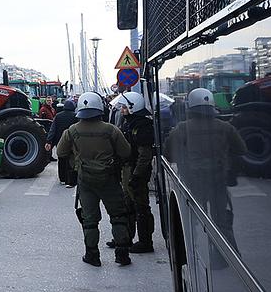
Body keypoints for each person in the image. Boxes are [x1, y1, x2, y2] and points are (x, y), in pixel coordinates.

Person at [56, 92, 134, 267]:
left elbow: (60, 152)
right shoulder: (110, 130)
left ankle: (92, 255)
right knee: (118, 215)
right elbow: (126, 152)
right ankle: (122, 253)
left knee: (89, 220)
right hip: (109, 178)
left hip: (86, 180)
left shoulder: (72, 131)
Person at [164, 88, 245, 243]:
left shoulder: (181, 128)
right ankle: (223, 256)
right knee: (221, 221)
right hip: (218, 181)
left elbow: (169, 155)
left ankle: (192, 252)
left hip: (191, 182)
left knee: (189, 220)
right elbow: (241, 149)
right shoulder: (225, 127)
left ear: (191, 106)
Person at [109, 91, 157, 253]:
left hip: (137, 171)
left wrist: (137, 176)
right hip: (128, 168)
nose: (121, 109)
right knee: (127, 205)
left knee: (141, 207)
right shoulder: (130, 123)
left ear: (132, 107)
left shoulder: (142, 126)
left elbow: (145, 155)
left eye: (124, 107)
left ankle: (145, 241)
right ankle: (125, 238)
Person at [46, 98, 79, 186]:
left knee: (61, 159)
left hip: (60, 141)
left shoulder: (58, 116)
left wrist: (49, 141)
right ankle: (70, 179)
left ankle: (62, 178)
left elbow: (52, 130)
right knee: (71, 160)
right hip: (72, 141)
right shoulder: (76, 116)